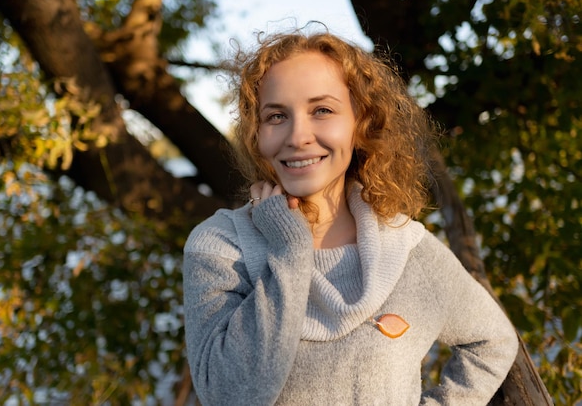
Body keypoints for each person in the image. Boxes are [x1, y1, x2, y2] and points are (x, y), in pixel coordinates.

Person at [182, 26, 518, 405]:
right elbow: (228, 395)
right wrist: (290, 253)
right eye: (276, 116)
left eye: (322, 110)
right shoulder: (222, 247)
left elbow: (492, 341)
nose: (298, 136)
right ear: (256, 134)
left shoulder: (407, 249)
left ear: (360, 123)